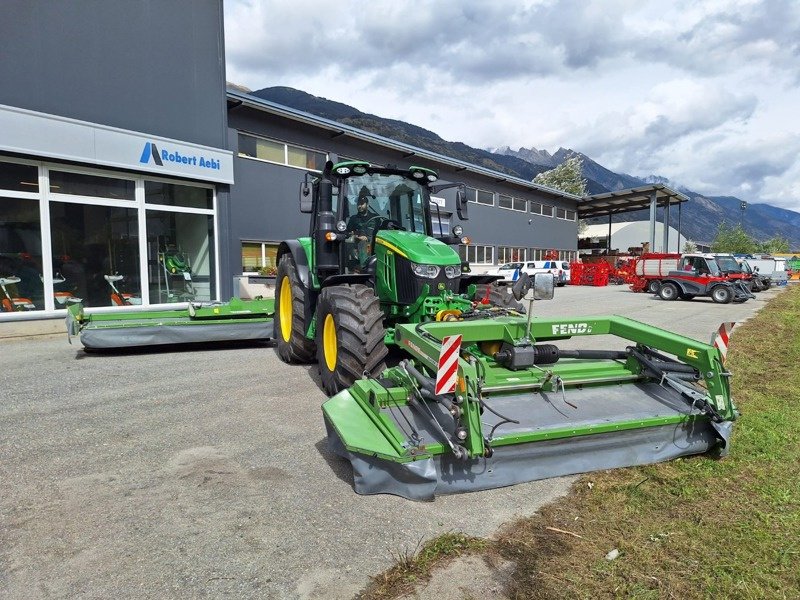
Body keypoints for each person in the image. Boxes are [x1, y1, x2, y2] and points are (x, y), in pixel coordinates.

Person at [345, 186, 378, 272]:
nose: (360, 206)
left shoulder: (375, 218)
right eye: (358, 204)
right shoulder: (353, 219)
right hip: (359, 244)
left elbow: (379, 231)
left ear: (367, 205)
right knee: (363, 243)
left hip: (375, 242)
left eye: (362, 203)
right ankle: (364, 269)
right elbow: (348, 233)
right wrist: (357, 236)